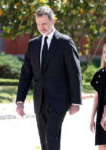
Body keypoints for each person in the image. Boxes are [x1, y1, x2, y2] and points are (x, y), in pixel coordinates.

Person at [15, 6, 82, 150]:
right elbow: (26, 74)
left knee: (51, 134)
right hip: (39, 100)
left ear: (53, 21)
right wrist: (20, 101)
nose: (41, 27)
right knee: (43, 137)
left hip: (59, 100)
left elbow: (74, 72)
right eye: (38, 24)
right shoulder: (33, 44)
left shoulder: (65, 42)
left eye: (44, 23)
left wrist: (76, 101)